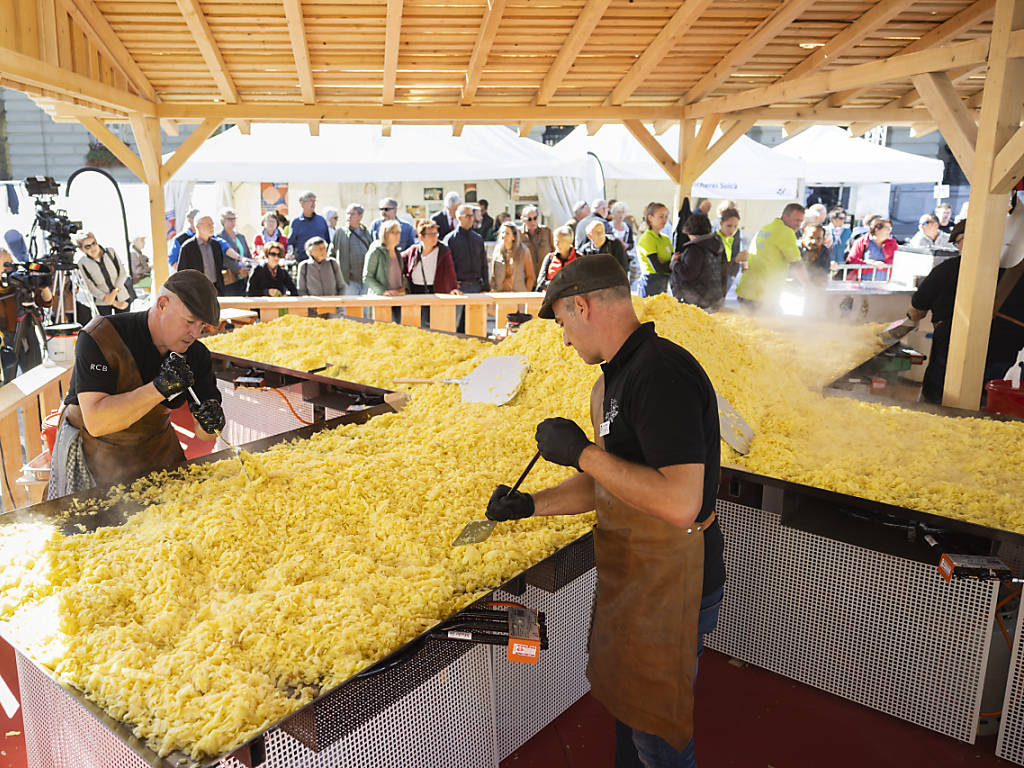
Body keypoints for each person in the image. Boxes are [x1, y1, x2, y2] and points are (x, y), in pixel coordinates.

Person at [484, 253, 725, 768]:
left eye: (564, 323)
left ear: (583, 306)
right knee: (629, 715)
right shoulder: (613, 380)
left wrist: (581, 451)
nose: (565, 339)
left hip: (675, 577)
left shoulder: (660, 373)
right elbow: (613, 484)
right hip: (636, 573)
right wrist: (531, 504)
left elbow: (680, 503)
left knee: (658, 734)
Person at [48, 270, 224, 497]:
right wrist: (159, 388)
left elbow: (204, 434)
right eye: (189, 322)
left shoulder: (196, 355)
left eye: (202, 326)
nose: (195, 333)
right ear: (162, 304)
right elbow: (96, 422)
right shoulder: (101, 337)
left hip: (156, 450)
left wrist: (212, 423)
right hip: (94, 457)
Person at [907, 213, 1024, 404]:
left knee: (939, 405)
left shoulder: (948, 269)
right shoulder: (1017, 272)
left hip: (953, 350)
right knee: (991, 407)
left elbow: (915, 311)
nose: (958, 247)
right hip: (1008, 352)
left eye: (959, 241)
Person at [735, 203, 811, 312]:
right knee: (773, 325)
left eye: (801, 221)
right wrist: (808, 287)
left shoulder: (767, 227)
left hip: (746, 291)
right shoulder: (786, 232)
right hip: (761, 295)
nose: (799, 225)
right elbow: (797, 264)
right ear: (785, 217)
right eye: (796, 220)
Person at [402, 219, 461, 326]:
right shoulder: (413, 251)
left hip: (435, 291)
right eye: (431, 234)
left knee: (436, 325)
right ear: (421, 237)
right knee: (418, 325)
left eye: (436, 234)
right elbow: (399, 262)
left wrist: (453, 288)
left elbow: (450, 271)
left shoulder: (443, 250)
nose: (435, 237)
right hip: (415, 292)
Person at [670, 213, 729, 311]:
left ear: (689, 231)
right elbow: (724, 270)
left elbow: (688, 274)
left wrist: (675, 263)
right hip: (714, 298)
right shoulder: (717, 244)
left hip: (697, 301)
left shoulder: (695, 249)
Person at [444, 204, 488, 331]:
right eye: (467, 216)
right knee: (455, 325)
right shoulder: (450, 239)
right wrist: (452, 286)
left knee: (475, 324)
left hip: (476, 286)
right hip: (458, 287)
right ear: (459, 218)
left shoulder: (478, 238)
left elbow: (483, 263)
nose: (471, 218)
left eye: (472, 215)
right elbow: (447, 267)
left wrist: (485, 286)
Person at [75, 231, 131, 316]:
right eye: (87, 246)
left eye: (94, 243)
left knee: (125, 327)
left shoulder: (110, 252)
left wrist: (114, 292)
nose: (93, 247)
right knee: (105, 328)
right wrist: (114, 303)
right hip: (102, 302)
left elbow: (122, 273)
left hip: (122, 297)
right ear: (82, 249)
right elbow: (89, 286)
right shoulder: (82, 263)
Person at [363, 220, 406, 323]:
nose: (397, 235)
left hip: (398, 300)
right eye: (394, 232)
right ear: (385, 234)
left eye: (399, 232)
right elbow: (367, 277)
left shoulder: (397, 252)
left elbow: (400, 275)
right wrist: (383, 291)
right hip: (381, 299)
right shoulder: (376, 251)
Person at [177, 212, 227, 295]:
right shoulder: (187, 247)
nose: (212, 227)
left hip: (216, 290)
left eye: (212, 224)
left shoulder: (216, 245)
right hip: (196, 292)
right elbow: (182, 274)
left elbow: (219, 268)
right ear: (197, 226)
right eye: (208, 224)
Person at [332, 203, 372, 295]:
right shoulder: (340, 233)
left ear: (360, 216)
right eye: (347, 213)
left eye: (352, 214)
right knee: (350, 307)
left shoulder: (366, 232)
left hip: (365, 279)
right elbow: (332, 254)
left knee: (365, 307)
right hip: (348, 280)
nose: (349, 216)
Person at [636, 202, 673, 297]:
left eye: (666, 216)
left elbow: (674, 261)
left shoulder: (665, 238)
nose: (664, 219)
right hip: (650, 284)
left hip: (663, 284)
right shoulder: (647, 238)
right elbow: (658, 267)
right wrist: (671, 263)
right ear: (650, 218)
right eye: (661, 216)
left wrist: (669, 263)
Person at [491, 221, 536, 292]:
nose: (504, 236)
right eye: (502, 232)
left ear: (513, 236)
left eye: (507, 233)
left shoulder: (524, 251)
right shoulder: (497, 250)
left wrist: (526, 293)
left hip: (519, 294)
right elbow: (493, 276)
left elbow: (531, 277)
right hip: (500, 294)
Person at [287, 191, 331, 262]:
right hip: (303, 262)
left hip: (322, 262)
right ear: (302, 203)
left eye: (314, 201)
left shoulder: (321, 220)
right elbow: (290, 243)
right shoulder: (296, 222)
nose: (313, 204)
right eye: (310, 201)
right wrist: (290, 254)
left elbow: (328, 241)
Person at [217, 207, 252, 297]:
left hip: (244, 278)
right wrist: (238, 269)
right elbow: (223, 258)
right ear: (223, 220)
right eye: (229, 219)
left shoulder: (240, 236)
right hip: (230, 279)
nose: (232, 221)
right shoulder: (219, 238)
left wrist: (247, 267)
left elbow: (247, 255)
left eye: (234, 219)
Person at [536, 226, 577, 291]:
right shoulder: (550, 258)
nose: (557, 244)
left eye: (561, 241)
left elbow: (583, 282)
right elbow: (541, 282)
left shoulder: (579, 258)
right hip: (551, 298)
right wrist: (558, 285)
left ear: (570, 242)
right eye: (555, 240)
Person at [521, 204, 554, 277]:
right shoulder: (519, 234)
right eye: (529, 219)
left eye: (535, 218)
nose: (533, 222)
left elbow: (554, 251)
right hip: (527, 278)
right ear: (522, 219)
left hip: (545, 276)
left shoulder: (547, 231)